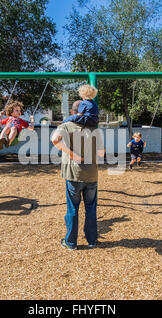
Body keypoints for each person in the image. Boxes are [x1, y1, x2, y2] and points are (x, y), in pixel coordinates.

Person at [51, 100, 105, 251]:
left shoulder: (67, 126)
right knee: (91, 208)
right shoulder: (95, 128)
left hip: (74, 173)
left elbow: (54, 139)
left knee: (73, 208)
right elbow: (101, 153)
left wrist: (72, 154)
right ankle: (92, 240)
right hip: (92, 174)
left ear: (74, 112)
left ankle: (71, 242)